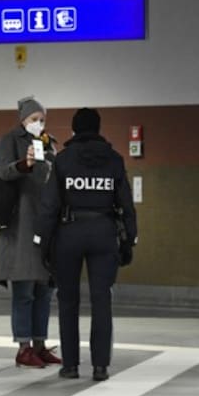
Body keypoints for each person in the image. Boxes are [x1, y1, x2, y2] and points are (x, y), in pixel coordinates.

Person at [35, 108, 137, 381]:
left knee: (68, 300)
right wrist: (130, 239)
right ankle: (100, 366)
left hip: (69, 233)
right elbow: (126, 203)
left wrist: (42, 243)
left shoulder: (64, 160)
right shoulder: (114, 160)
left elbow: (49, 206)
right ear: (99, 128)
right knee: (101, 300)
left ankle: (70, 365)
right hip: (104, 232)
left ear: (74, 130)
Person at [0, 96, 62, 368]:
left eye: (42, 119)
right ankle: (23, 346)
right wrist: (24, 164)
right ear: (23, 120)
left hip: (43, 223)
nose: (39, 123)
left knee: (44, 288)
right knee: (24, 288)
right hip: (19, 225)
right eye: (34, 119)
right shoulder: (9, 140)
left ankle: (40, 343)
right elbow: (1, 171)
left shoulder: (47, 142)